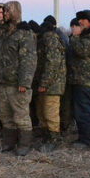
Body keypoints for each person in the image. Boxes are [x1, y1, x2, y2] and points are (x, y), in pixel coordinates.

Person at [0, 1, 37, 155]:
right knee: (5, 115)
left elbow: (28, 60)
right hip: (4, 82)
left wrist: (24, 82)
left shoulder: (25, 33)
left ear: (14, 12)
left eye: (6, 12)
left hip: (17, 84)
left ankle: (24, 144)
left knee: (21, 115)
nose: (3, 15)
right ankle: (9, 143)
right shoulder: (4, 33)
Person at [69, 10, 90, 149]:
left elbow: (83, 51)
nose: (80, 23)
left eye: (82, 20)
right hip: (79, 79)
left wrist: (75, 37)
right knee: (79, 111)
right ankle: (83, 137)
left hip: (86, 80)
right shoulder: (87, 35)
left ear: (89, 21)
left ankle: (88, 141)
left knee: (84, 111)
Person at [33, 19, 66, 151]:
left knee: (50, 112)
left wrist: (44, 83)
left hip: (52, 85)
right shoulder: (46, 40)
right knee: (42, 112)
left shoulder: (50, 40)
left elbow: (52, 64)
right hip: (46, 84)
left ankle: (54, 139)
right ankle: (46, 137)